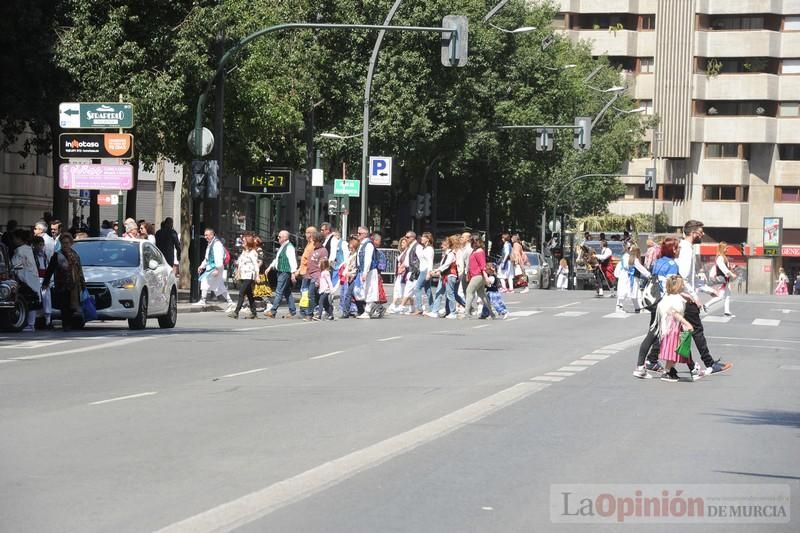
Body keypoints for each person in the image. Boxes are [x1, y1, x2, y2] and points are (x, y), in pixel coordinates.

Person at [677, 220, 732, 376]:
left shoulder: (686, 248)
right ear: (693, 233)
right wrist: (695, 297)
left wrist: (707, 290)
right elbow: (684, 277)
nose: (702, 235)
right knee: (695, 331)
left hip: (684, 295)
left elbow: (692, 277)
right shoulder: (686, 250)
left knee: (681, 331)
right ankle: (708, 363)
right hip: (686, 298)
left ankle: (653, 360)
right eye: (701, 232)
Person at [633, 237, 678, 379]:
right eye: (676, 248)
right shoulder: (672, 265)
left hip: (654, 301)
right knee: (654, 334)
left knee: (654, 333)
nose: (678, 250)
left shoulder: (658, 262)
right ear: (672, 249)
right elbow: (672, 286)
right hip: (664, 303)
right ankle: (642, 366)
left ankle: (647, 363)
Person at [655, 276, 695, 382]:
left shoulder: (668, 297)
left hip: (670, 326)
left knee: (674, 349)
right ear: (677, 286)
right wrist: (687, 323)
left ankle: (671, 370)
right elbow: (675, 313)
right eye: (681, 284)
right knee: (673, 350)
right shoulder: (676, 299)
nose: (683, 286)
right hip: (672, 327)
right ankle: (666, 372)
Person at [42, 232, 85, 331]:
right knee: (64, 305)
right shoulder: (57, 255)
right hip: (62, 284)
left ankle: (71, 323)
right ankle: (66, 324)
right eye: (63, 243)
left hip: (74, 284)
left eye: (67, 243)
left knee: (73, 306)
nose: (65, 245)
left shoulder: (75, 255)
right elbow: (50, 270)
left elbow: (80, 270)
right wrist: (45, 282)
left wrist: (83, 284)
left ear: (71, 243)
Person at [194, 228, 234, 310]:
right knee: (219, 286)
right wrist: (202, 266)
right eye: (205, 235)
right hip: (212, 267)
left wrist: (217, 269)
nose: (205, 237)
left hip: (215, 268)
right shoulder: (211, 244)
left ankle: (203, 300)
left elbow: (218, 258)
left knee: (205, 280)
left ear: (212, 235)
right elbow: (207, 258)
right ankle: (230, 302)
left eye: (207, 235)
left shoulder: (217, 244)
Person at [11, 229, 41, 332]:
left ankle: (30, 324)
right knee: (32, 299)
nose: (13, 240)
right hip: (33, 277)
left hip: (24, 278)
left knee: (27, 301)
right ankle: (31, 324)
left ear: (19, 239)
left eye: (14, 238)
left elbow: (15, 265)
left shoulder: (19, 250)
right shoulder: (29, 249)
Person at [264, 230, 298, 318]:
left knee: (279, 291)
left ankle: (273, 311)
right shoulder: (283, 246)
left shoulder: (289, 247)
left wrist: (293, 273)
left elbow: (292, 260)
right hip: (280, 271)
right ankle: (292, 310)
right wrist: (270, 267)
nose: (277, 238)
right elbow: (277, 259)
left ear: (285, 237)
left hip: (285, 271)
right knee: (287, 292)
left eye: (279, 237)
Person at [228, 232, 260, 319]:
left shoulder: (253, 252)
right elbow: (240, 262)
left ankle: (236, 312)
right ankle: (254, 312)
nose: (242, 242)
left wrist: (257, 276)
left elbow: (255, 264)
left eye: (244, 241)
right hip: (243, 275)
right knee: (249, 294)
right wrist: (236, 263)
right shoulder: (244, 252)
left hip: (249, 276)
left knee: (241, 292)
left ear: (248, 242)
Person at [426, 236, 457, 318]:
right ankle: (435, 311)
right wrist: (438, 272)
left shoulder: (451, 254)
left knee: (450, 294)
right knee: (438, 293)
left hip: (450, 276)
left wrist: (436, 270)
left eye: (443, 244)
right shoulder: (445, 254)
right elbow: (443, 265)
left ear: (447, 245)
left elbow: (446, 265)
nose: (441, 246)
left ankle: (453, 313)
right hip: (443, 276)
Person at [464, 237, 496, 319]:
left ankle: (466, 313)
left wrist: (486, 278)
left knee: (469, 291)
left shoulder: (479, 252)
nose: (472, 244)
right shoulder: (475, 251)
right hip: (476, 275)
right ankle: (491, 313)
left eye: (473, 242)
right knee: (482, 295)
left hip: (478, 275)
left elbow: (483, 266)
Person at [704, 242, 736, 316]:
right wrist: (731, 274)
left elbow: (725, 268)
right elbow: (723, 268)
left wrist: (732, 268)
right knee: (721, 296)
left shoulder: (723, 257)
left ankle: (727, 311)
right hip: (722, 279)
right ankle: (706, 305)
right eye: (726, 248)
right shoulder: (720, 257)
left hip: (725, 279)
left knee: (728, 295)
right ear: (722, 248)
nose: (727, 249)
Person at [302, 231, 328, 321]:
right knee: (317, 296)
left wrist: (320, 279)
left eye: (315, 242)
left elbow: (323, 265)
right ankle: (328, 310)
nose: (313, 243)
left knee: (311, 294)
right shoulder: (314, 250)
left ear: (320, 241)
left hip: (317, 275)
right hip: (310, 275)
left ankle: (309, 314)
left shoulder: (323, 251)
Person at [355, 226, 380, 319]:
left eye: (360, 233)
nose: (358, 235)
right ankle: (372, 308)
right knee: (361, 291)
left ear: (365, 234)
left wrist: (365, 272)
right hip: (362, 270)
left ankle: (368, 310)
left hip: (369, 271)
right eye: (358, 233)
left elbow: (368, 259)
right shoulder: (362, 244)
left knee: (369, 290)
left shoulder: (368, 245)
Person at [616, 245, 649, 313]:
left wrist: (617, 274)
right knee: (634, 292)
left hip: (624, 276)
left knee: (625, 291)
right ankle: (620, 307)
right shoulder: (634, 259)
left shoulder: (624, 257)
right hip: (631, 277)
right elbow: (641, 269)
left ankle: (637, 307)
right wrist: (649, 275)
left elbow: (618, 267)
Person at [32, 236, 52, 328]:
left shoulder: (44, 255)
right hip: (36, 279)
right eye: (39, 245)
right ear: (34, 245)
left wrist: (47, 281)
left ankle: (47, 320)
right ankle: (36, 320)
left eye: (42, 245)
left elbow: (48, 268)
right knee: (38, 299)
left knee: (46, 299)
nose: (41, 247)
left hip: (44, 280)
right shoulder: (32, 255)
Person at [412, 232, 435, 315]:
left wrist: (429, 272)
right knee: (428, 290)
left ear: (428, 239)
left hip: (425, 270)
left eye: (423, 237)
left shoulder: (429, 249)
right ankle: (432, 307)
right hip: (423, 269)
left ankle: (419, 308)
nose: (422, 238)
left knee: (417, 288)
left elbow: (430, 262)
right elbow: (420, 257)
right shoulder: (424, 248)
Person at [388, 237, 409, 314]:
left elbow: (406, 262)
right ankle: (394, 304)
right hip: (400, 273)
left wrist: (401, 267)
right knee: (397, 288)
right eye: (401, 243)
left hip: (404, 273)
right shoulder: (403, 252)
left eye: (403, 242)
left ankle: (402, 306)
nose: (402, 244)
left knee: (403, 290)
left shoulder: (407, 252)